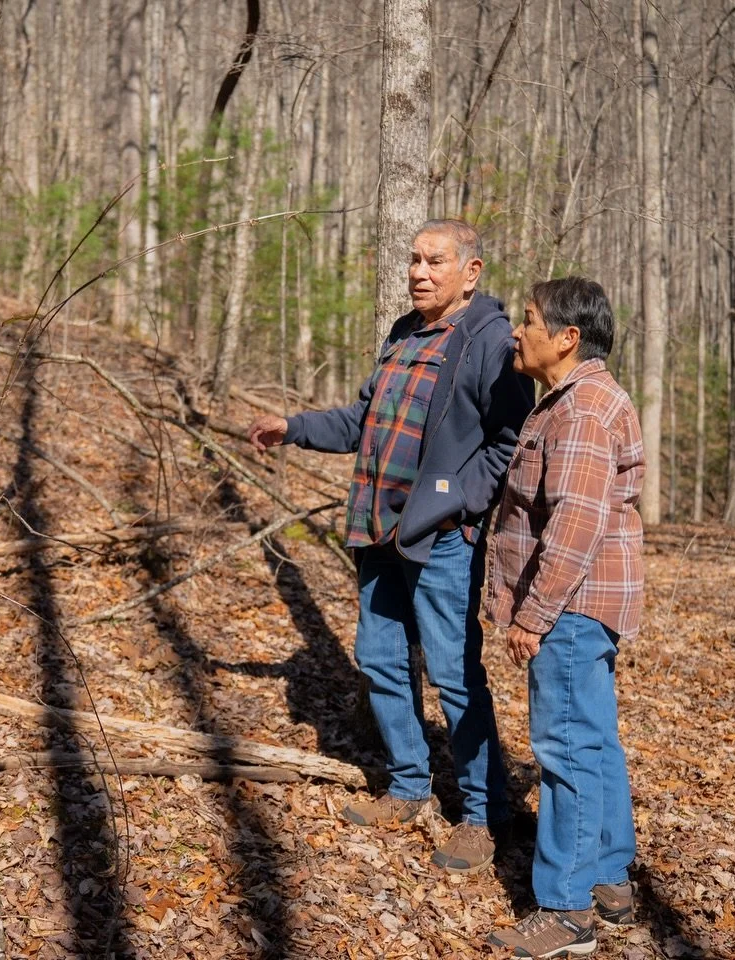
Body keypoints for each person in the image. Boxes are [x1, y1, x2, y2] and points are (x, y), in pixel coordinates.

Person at [248, 219, 532, 874]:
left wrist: (460, 508)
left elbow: (509, 440)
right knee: (378, 656)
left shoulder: (490, 340)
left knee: (455, 674)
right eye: (413, 259)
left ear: (472, 270)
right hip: (375, 526)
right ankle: (407, 786)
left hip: (438, 538)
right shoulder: (404, 335)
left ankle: (481, 815)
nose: (419, 271)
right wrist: (293, 426)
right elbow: (361, 420)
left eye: (435, 261)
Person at [484, 277, 644, 959]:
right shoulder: (580, 400)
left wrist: (534, 614)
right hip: (589, 603)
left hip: (571, 605)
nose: (517, 333)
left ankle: (568, 907)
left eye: (528, 321)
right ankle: (609, 877)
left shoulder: (580, 409)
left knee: (567, 747)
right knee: (594, 738)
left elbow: (575, 523)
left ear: (567, 337)